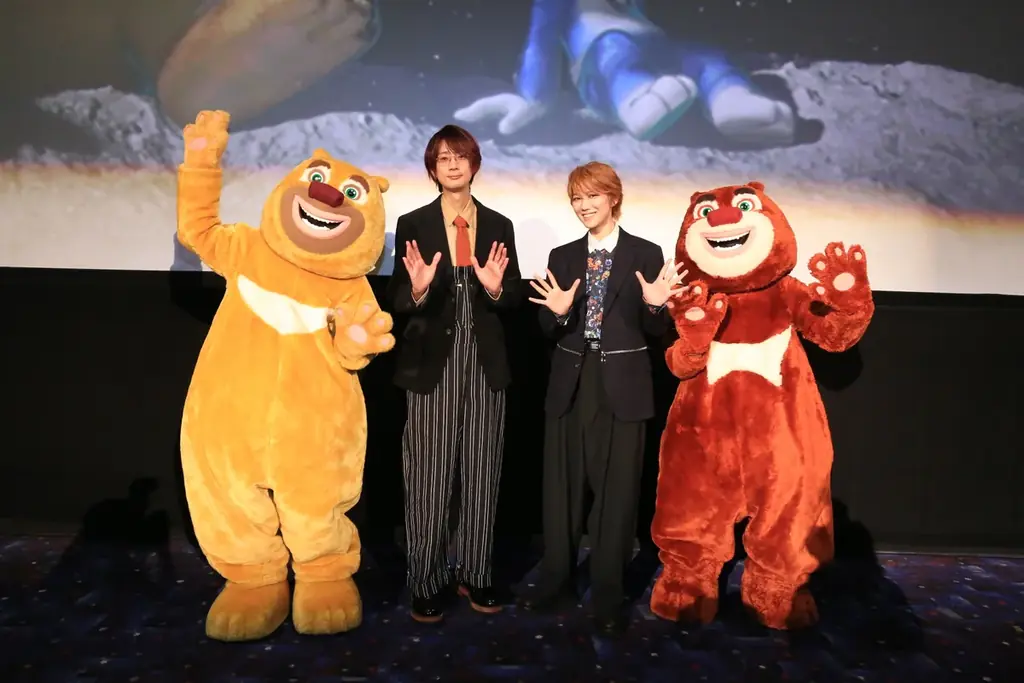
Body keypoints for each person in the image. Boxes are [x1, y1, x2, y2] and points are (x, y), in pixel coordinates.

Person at [521, 161, 686, 634]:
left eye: (592, 196)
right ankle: (556, 579)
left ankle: (608, 591)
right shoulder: (563, 255)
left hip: (624, 384)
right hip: (571, 381)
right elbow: (546, 326)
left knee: (618, 494)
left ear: (613, 197)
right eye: (576, 198)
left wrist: (655, 305)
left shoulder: (645, 253)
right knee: (562, 489)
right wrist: (558, 314)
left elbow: (656, 329)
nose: (583, 205)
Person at [385, 124, 521, 624]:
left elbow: (512, 296)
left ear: (474, 164)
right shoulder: (413, 222)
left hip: (485, 361)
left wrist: (495, 288)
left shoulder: (499, 223)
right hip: (431, 364)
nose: (453, 164)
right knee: (428, 474)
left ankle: (477, 572)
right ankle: (426, 579)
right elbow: (398, 297)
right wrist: (419, 289)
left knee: (482, 471)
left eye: (460, 156)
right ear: (432, 169)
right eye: (443, 158)